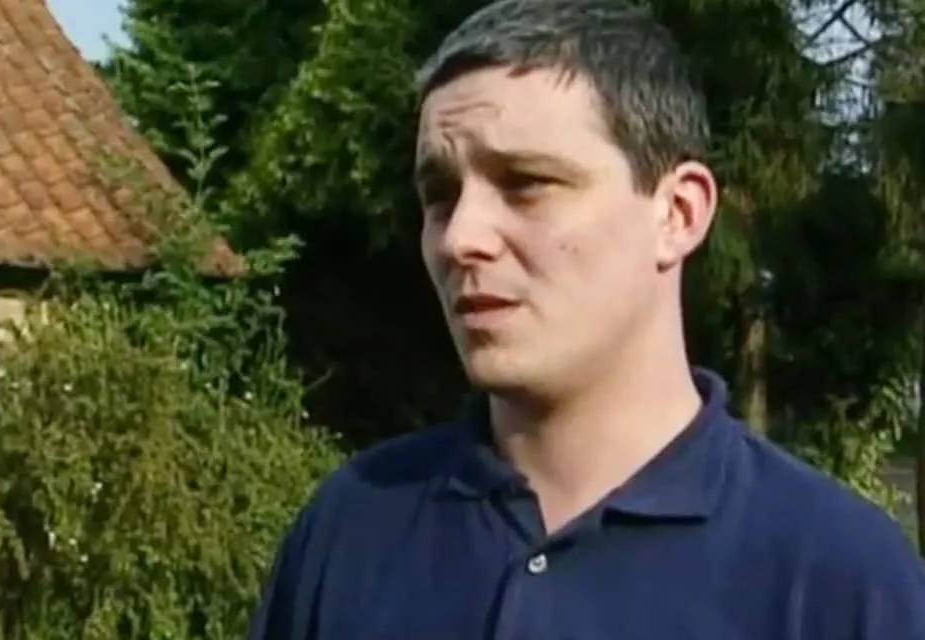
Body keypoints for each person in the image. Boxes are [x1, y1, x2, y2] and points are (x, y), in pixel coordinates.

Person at [247, 0, 925, 637]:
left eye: (526, 184)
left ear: (678, 213)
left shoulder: (839, 580)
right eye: (440, 195)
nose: (460, 238)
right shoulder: (349, 532)